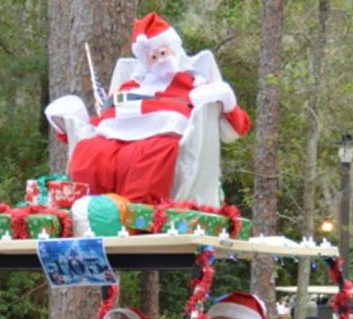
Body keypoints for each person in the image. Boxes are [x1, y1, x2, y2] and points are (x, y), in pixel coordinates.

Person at [45, 12, 250, 203]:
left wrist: (225, 99)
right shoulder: (132, 86)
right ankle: (91, 207)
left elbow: (233, 128)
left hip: (163, 136)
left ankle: (137, 215)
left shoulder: (192, 82)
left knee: (150, 156)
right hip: (115, 136)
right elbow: (104, 118)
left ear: (173, 50)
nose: (160, 60)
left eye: (163, 52)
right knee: (91, 152)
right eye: (153, 57)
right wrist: (70, 130)